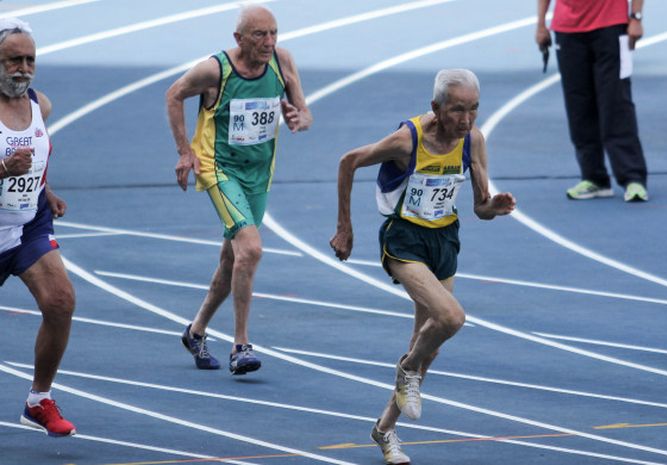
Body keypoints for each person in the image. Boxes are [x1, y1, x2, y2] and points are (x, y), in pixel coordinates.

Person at [330, 69, 516, 465]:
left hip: (444, 240)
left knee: (426, 347)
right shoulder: (408, 140)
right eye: (457, 110)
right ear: (436, 108)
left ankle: (384, 430)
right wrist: (345, 228)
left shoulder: (473, 141)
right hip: (404, 239)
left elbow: (480, 207)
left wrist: (493, 208)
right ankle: (406, 368)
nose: (466, 120)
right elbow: (348, 162)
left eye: (474, 110)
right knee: (450, 318)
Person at [165, 5, 312, 375]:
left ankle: (196, 331)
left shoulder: (282, 61)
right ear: (238, 39)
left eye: (274, 33)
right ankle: (241, 345)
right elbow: (174, 94)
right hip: (219, 168)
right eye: (259, 35)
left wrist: (299, 117)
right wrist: (185, 152)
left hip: (259, 173)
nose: (269, 42)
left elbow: (304, 111)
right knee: (251, 249)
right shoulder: (216, 69)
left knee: (233, 261)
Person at [0, 18, 76, 437]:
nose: (22, 68)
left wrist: (45, 192)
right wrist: (2, 169)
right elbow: (10, 163)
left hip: (27, 225)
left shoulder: (39, 105)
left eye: (29, 60)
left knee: (61, 301)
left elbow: (36, 157)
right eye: (13, 60)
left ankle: (39, 399)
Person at [536, 0, 649, 202]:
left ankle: (633, 177)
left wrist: (636, 17)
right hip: (567, 30)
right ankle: (594, 177)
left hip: (611, 27)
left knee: (616, 103)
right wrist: (541, 24)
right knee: (578, 106)